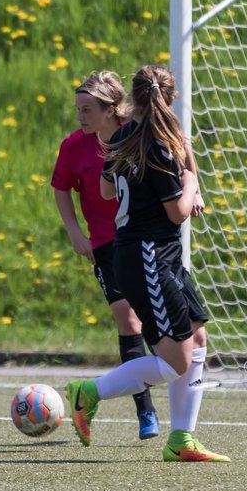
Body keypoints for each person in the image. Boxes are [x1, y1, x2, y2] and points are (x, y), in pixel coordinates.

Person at [65, 64, 228, 462]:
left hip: (157, 255)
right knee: (176, 361)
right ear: (169, 99)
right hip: (147, 257)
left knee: (197, 336)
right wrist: (191, 183)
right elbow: (177, 213)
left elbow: (105, 190)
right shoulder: (155, 146)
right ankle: (89, 392)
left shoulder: (123, 136)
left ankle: (181, 439)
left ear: (132, 100)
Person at [51, 70, 159, 439]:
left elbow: (179, 152)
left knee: (159, 329)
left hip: (148, 239)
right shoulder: (73, 146)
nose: (80, 116)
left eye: (87, 109)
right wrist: (75, 233)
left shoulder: (138, 133)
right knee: (128, 323)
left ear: (112, 109)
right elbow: (61, 188)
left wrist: (193, 186)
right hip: (106, 244)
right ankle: (146, 412)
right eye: (78, 109)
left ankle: (139, 381)